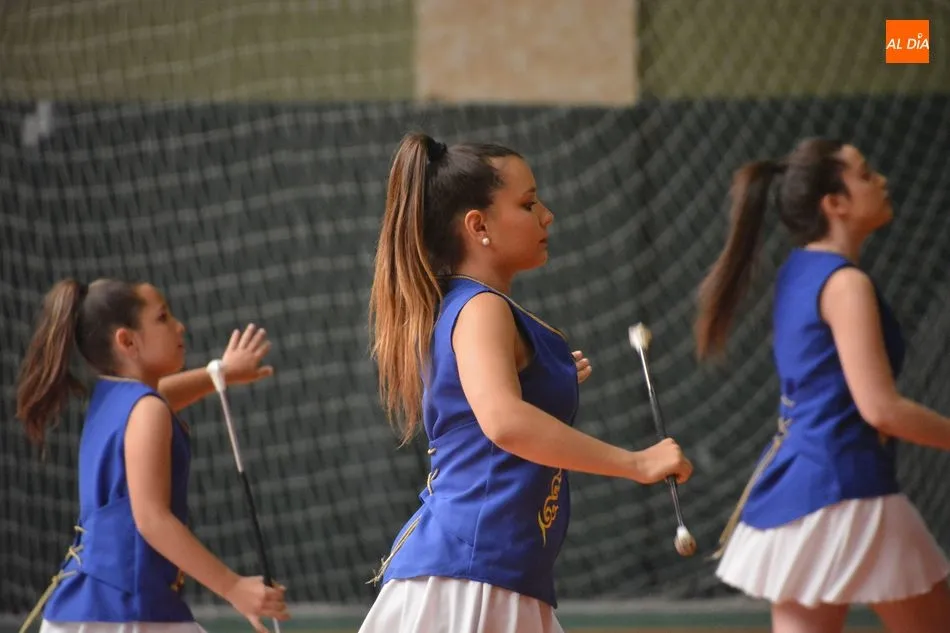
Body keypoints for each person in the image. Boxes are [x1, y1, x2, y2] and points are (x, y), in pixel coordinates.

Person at [361, 132, 694, 632]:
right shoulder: (480, 307)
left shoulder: (468, 305)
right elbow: (504, 422)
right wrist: (638, 462)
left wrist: (547, 380)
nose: (547, 216)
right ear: (478, 225)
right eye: (528, 204)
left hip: (490, 572)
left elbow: (485, 411)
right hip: (469, 575)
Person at [695, 137, 950, 633]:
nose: (882, 181)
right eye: (866, 174)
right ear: (835, 203)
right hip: (846, 484)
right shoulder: (845, 284)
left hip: (802, 485)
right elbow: (882, 409)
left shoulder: (799, 270)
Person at [15, 278, 291, 633]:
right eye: (163, 317)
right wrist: (232, 587)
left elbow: (159, 397)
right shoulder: (147, 409)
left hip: (93, 605)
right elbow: (151, 519)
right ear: (127, 341)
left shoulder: (116, 397)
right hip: (122, 612)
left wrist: (220, 373)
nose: (179, 325)